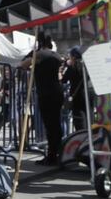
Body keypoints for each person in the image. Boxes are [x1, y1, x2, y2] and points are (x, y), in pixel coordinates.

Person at [19, 32, 63, 165]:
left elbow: (23, 64)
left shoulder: (39, 55)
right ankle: (58, 153)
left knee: (49, 125)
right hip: (57, 91)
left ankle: (51, 156)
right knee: (56, 124)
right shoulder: (56, 55)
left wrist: (33, 53)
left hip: (46, 93)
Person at [62, 47, 88, 131]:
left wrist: (65, 67)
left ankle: (81, 135)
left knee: (78, 120)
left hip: (76, 97)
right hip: (87, 95)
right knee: (88, 117)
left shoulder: (72, 68)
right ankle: (89, 135)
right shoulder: (86, 67)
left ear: (73, 57)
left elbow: (63, 80)